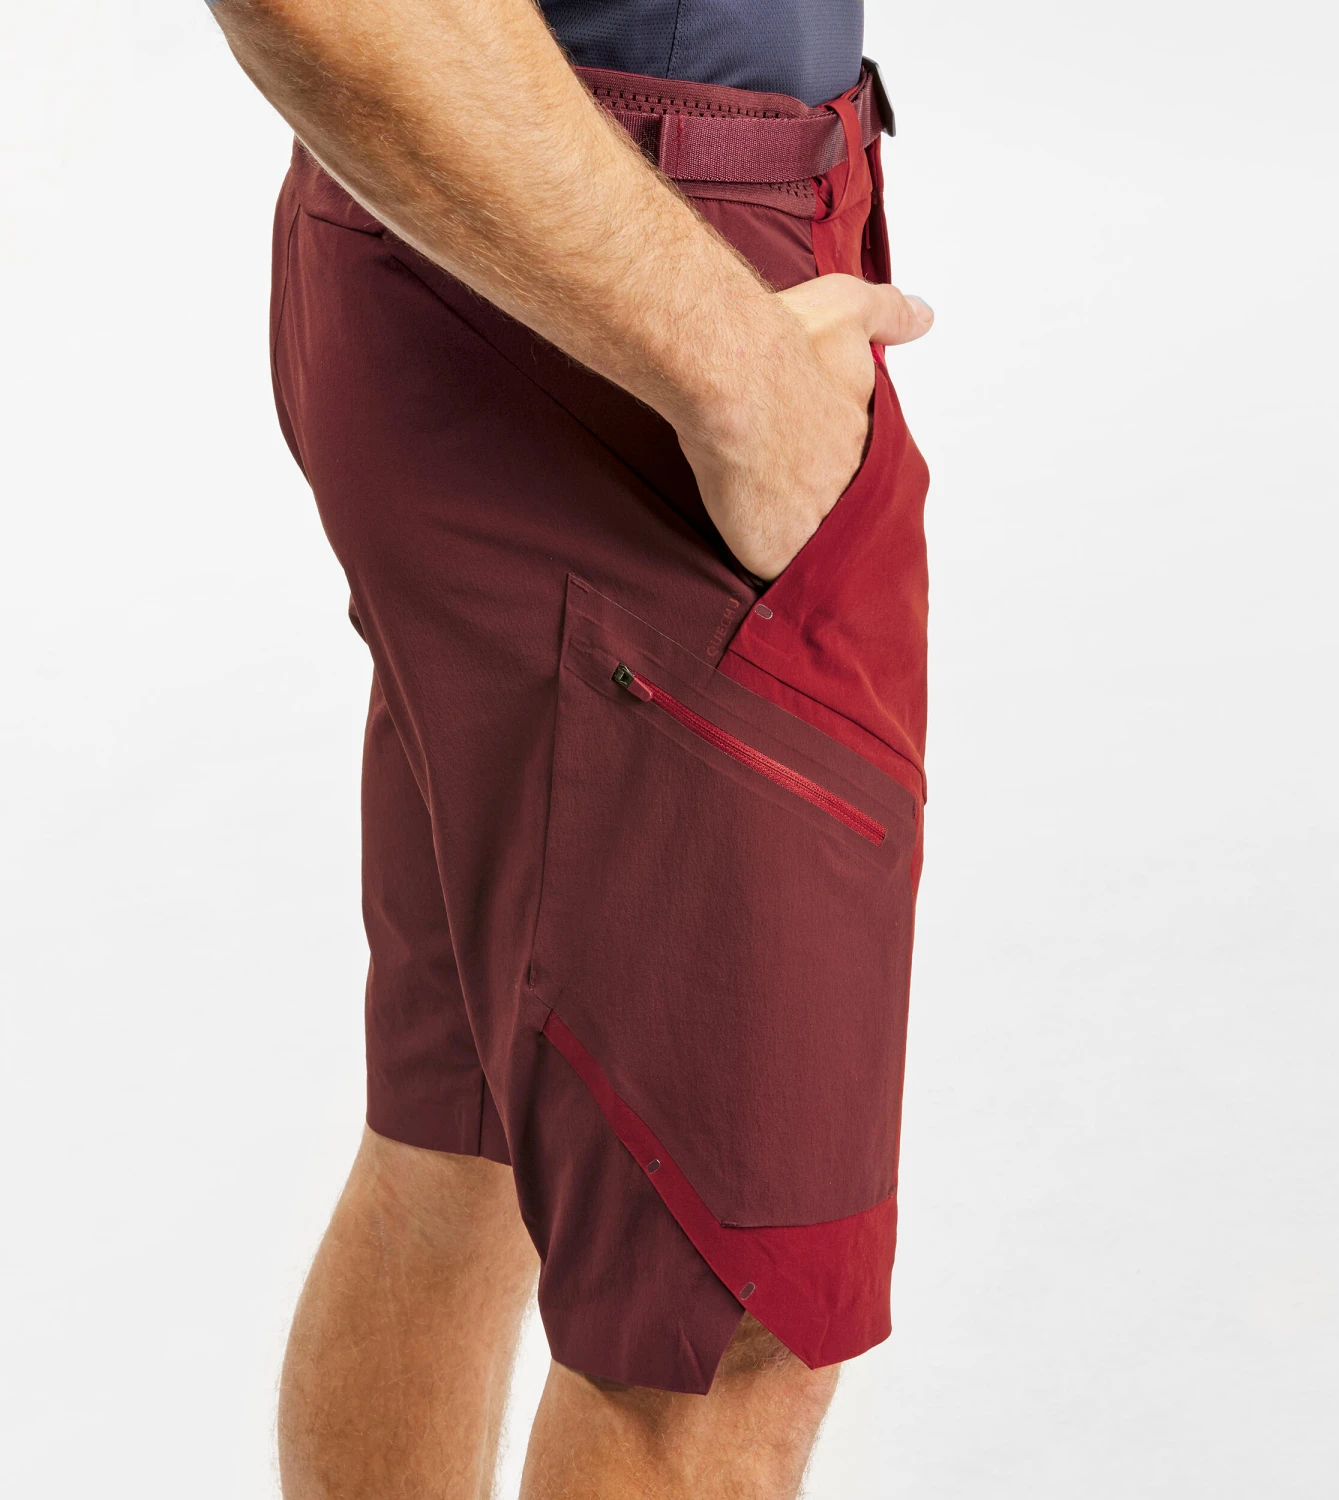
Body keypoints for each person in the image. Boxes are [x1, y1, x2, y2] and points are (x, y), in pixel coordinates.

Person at [210, 0, 934, 1494]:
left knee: (464, 1144)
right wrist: (739, 378)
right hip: (618, 295)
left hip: (512, 224)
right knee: (728, 1317)